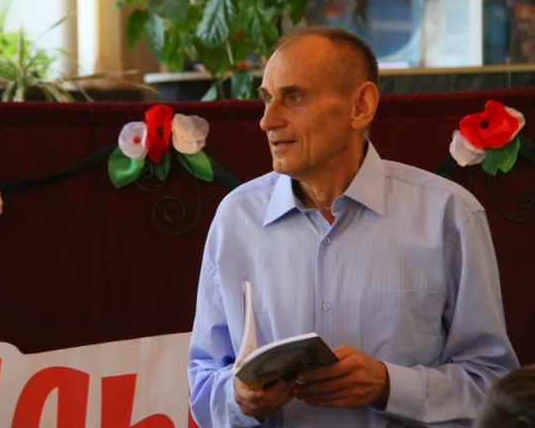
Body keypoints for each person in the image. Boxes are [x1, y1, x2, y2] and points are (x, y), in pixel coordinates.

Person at [187, 25, 520, 427]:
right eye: (267, 98)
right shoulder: (236, 218)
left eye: (294, 97)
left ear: (361, 106)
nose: (267, 120)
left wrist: (390, 386)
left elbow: (494, 386)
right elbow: (202, 382)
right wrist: (238, 397)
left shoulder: (449, 215)